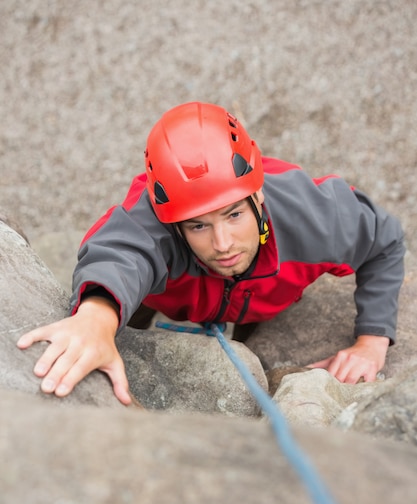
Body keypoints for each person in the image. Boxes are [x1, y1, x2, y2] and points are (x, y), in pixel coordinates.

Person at [17, 101, 405, 405]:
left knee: (254, 352)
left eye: (234, 215)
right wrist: (96, 321)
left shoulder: (316, 215)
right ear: (172, 220)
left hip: (263, 297)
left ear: (258, 194)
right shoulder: (155, 221)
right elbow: (119, 254)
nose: (222, 244)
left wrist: (372, 340)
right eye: (198, 225)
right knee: (124, 316)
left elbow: (384, 238)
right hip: (160, 292)